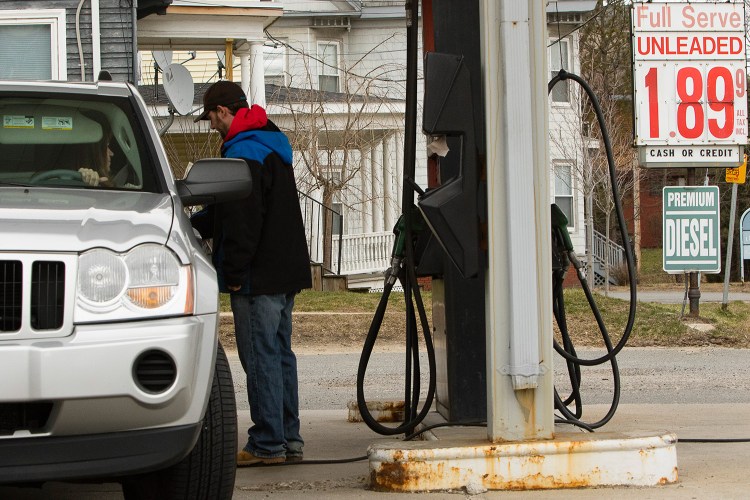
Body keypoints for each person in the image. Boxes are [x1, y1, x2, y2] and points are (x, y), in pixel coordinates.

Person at [191, 80, 312, 466]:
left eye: (210, 117)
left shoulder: (242, 151)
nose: (211, 126)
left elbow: (243, 221)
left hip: (257, 276)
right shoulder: (269, 141)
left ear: (223, 111)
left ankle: (266, 443)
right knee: (279, 355)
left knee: (260, 357)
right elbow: (234, 210)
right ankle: (289, 438)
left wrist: (235, 271)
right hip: (284, 270)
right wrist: (195, 220)